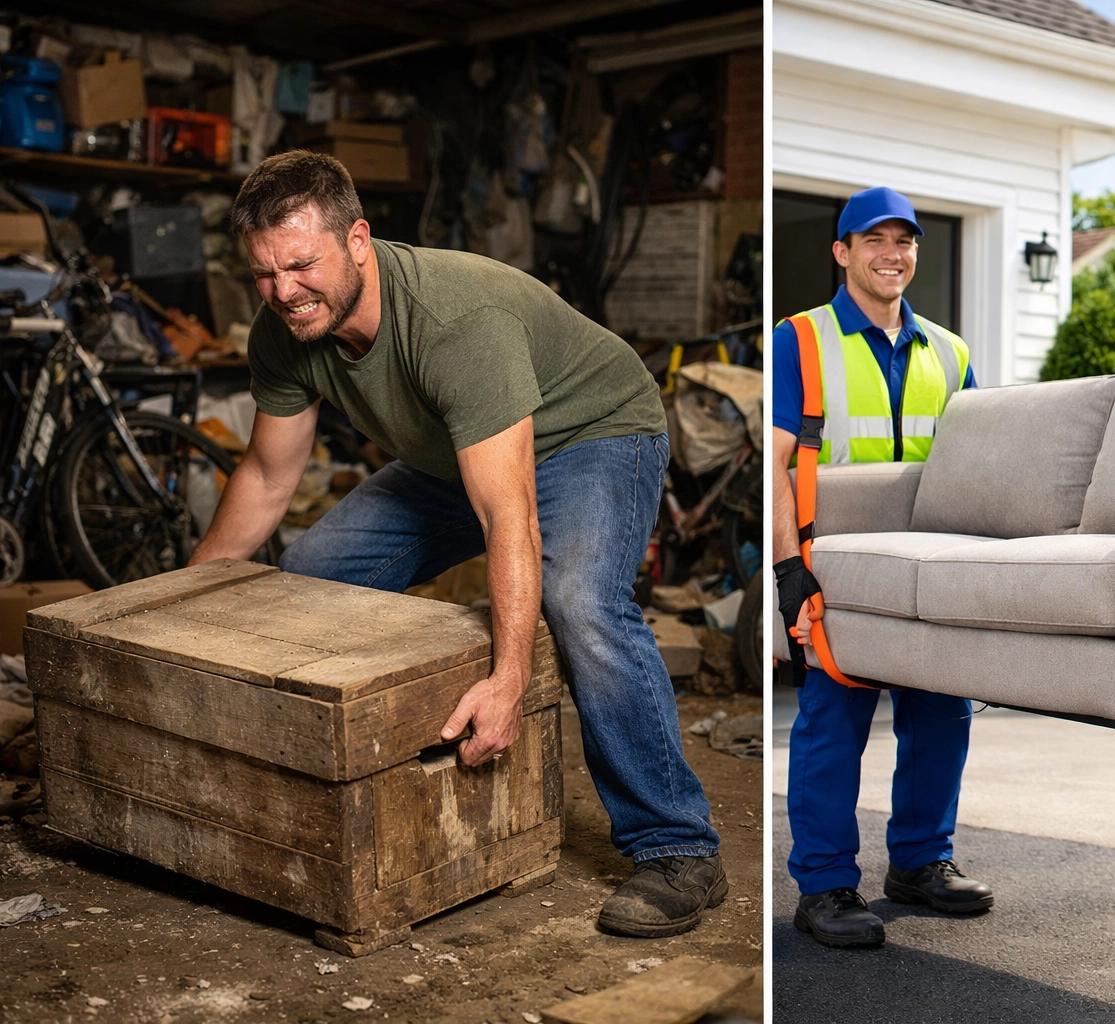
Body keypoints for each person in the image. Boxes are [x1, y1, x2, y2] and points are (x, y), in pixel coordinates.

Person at [189, 150, 726, 938]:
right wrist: (182, 597)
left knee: (579, 601)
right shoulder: (285, 329)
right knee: (309, 574)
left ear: (358, 241)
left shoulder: (455, 321)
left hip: (592, 433)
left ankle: (678, 847)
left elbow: (508, 514)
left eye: (301, 265)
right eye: (264, 274)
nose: (284, 292)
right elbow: (270, 476)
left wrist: (509, 679)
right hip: (456, 449)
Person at [771, 186, 992, 949]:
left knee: (942, 716)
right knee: (834, 722)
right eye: (874, 240)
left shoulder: (952, 351)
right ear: (842, 251)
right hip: (836, 567)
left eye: (904, 241)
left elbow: (969, 468)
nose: (891, 254)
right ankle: (826, 883)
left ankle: (921, 863)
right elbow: (772, 465)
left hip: (928, 566)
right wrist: (785, 570)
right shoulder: (798, 340)